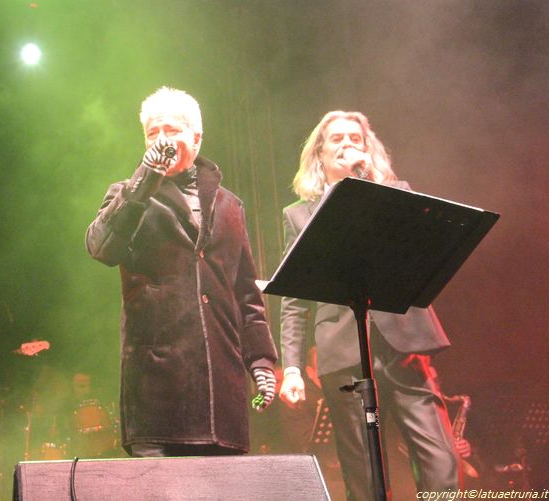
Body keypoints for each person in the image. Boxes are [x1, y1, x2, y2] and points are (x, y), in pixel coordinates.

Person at [86, 86, 278, 457]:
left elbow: (246, 294)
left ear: (196, 136)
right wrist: (144, 180)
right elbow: (100, 247)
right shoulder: (129, 195)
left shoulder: (230, 205)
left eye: (171, 130)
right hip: (157, 388)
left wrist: (262, 361)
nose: (161, 140)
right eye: (152, 133)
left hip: (221, 389)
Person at [278, 111, 459, 499]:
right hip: (342, 352)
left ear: (367, 149)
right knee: (363, 472)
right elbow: (293, 299)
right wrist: (291, 366)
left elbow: (423, 250)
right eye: (337, 140)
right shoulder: (298, 215)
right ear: (320, 154)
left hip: (403, 344)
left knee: (440, 459)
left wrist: (368, 186)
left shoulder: (397, 195)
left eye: (355, 139)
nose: (347, 145)